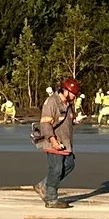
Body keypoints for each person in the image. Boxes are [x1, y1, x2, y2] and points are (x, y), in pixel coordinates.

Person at [35, 76, 80, 207]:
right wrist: (53, 140)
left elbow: (65, 119)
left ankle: (44, 185)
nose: (74, 97)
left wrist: (74, 121)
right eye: (73, 94)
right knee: (56, 168)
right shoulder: (52, 101)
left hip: (65, 142)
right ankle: (51, 199)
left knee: (69, 165)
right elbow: (45, 124)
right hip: (53, 140)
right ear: (65, 90)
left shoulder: (68, 104)